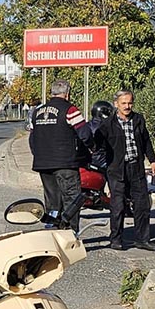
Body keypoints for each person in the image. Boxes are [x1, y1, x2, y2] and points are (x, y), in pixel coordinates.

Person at [96, 90, 155, 251]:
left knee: (142, 205)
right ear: (116, 104)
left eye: (130, 103)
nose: (127, 106)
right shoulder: (107, 124)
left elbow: (146, 141)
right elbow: (98, 148)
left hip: (136, 167)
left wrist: (152, 160)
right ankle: (116, 239)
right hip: (117, 170)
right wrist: (107, 165)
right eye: (123, 103)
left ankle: (142, 239)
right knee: (117, 206)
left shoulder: (138, 119)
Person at [29, 79, 94, 230]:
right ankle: (70, 234)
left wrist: (38, 154)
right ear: (67, 94)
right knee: (72, 198)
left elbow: (32, 138)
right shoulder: (70, 110)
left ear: (51, 93)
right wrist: (92, 148)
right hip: (65, 163)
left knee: (52, 201)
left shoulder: (37, 112)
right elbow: (85, 134)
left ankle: (52, 231)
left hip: (43, 164)